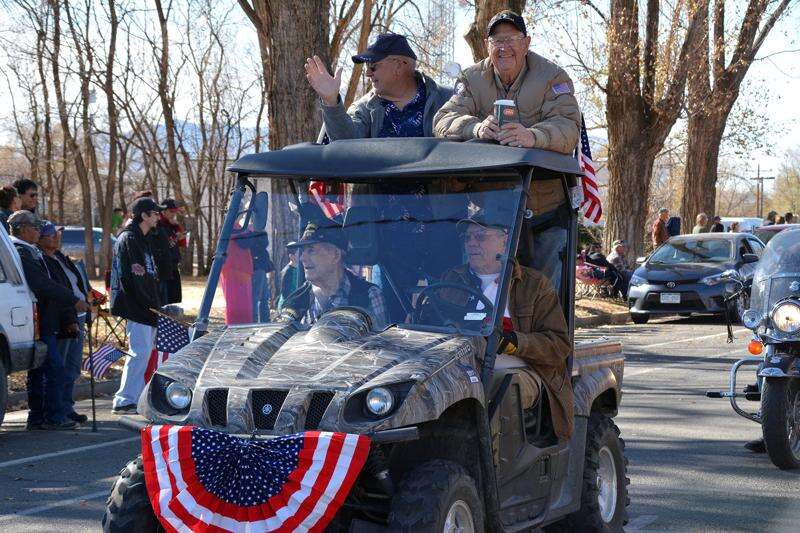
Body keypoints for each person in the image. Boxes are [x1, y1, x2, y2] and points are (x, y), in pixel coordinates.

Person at [433, 10, 581, 292]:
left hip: (543, 211)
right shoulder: (472, 79)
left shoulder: (553, 77)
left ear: (526, 43)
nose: (504, 47)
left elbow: (568, 129)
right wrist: (474, 129)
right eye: (497, 40)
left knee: (544, 293)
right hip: (491, 213)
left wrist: (532, 137)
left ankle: (542, 338)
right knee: (486, 294)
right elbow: (441, 120)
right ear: (488, 46)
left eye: (512, 39)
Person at [440, 210, 573, 440]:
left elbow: (559, 346)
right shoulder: (452, 278)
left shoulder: (534, 285)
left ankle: (489, 467)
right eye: (468, 237)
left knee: (495, 387)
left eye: (480, 236)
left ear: (506, 239)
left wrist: (514, 342)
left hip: (520, 368)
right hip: (459, 364)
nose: (471, 243)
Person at [8, 211, 90, 430]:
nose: (38, 231)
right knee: (52, 367)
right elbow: (42, 283)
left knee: (43, 370)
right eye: (35, 228)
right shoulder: (20, 251)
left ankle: (38, 418)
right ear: (23, 229)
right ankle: (53, 417)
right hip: (38, 319)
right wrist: (74, 301)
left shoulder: (29, 250)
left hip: (45, 318)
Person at [305, 33, 453, 141]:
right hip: (376, 186)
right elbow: (346, 143)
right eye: (366, 67)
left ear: (399, 66)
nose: (368, 73)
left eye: (373, 66)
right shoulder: (364, 108)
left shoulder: (448, 100)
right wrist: (331, 101)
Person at [110, 197, 163, 414]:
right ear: (144, 215)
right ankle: (124, 400)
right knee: (139, 352)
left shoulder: (143, 238)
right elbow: (131, 277)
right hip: (136, 306)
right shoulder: (129, 239)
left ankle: (136, 397)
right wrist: (148, 304)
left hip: (146, 306)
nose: (158, 216)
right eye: (155, 213)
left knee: (144, 352)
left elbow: (149, 275)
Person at [281, 222, 387, 329]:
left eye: (311, 250)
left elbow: (379, 344)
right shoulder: (294, 303)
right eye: (303, 251)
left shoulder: (369, 296)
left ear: (336, 255)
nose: (302, 258)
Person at [38, 222, 90, 424]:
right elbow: (59, 291)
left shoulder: (60, 257)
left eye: (58, 233)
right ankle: (57, 410)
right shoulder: (42, 260)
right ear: (41, 238)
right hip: (62, 319)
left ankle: (67, 407)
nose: (56, 237)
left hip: (79, 316)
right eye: (51, 234)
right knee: (59, 368)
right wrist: (69, 316)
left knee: (72, 367)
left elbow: (74, 284)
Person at [154, 199, 185, 305]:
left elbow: (181, 243)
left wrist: (177, 229)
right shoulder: (159, 224)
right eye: (171, 211)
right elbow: (162, 244)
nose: (174, 214)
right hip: (164, 264)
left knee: (173, 296)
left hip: (173, 263)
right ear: (164, 211)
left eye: (175, 211)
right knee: (164, 296)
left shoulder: (172, 224)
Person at [278, 244, 299, 310]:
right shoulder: (288, 271)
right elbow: (285, 292)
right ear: (291, 256)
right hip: (287, 306)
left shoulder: (298, 269)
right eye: (298, 254)